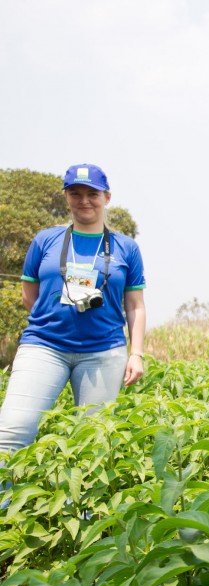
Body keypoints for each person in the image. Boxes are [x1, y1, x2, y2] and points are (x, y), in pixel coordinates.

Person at [0, 163, 147, 456]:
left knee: (92, 443)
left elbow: (135, 306)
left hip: (104, 351)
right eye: (75, 193)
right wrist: (58, 318)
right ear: (66, 197)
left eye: (92, 193)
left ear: (107, 197)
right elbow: (29, 297)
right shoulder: (46, 240)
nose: (84, 201)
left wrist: (136, 354)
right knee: (11, 431)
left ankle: (79, 503)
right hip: (44, 346)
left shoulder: (125, 247)